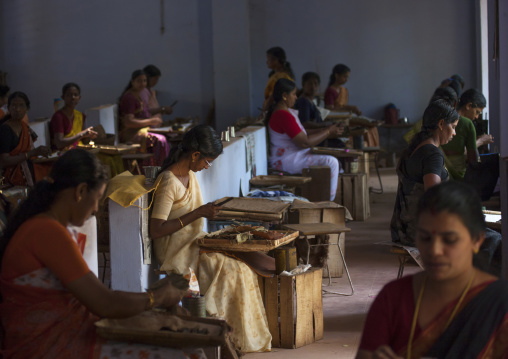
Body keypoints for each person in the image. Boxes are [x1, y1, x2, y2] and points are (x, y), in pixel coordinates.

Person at [0, 149, 200, 358]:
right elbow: (104, 302)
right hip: (46, 346)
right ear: (80, 191)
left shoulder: (48, 227)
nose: (96, 208)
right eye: (96, 198)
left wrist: (152, 302)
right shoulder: (47, 232)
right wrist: (156, 298)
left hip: (62, 334)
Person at [150, 125, 273, 353]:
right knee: (230, 271)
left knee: (243, 267)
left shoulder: (189, 175)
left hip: (195, 242)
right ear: (195, 155)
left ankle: (240, 339)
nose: (206, 167)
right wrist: (198, 213)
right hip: (176, 253)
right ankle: (225, 340)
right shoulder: (169, 182)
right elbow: (156, 230)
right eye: (206, 162)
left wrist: (208, 212)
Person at [357, 181, 508, 359]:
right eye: (425, 238)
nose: (434, 251)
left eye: (450, 239)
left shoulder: (500, 304)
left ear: (477, 240)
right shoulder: (393, 298)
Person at [391, 100, 459, 246]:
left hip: (405, 230)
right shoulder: (432, 154)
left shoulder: (414, 149)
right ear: (441, 124)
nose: (454, 133)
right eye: (453, 127)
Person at [266, 78, 343, 201]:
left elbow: (303, 133)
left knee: (333, 161)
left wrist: (327, 129)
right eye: (294, 94)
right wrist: (328, 131)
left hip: (291, 156)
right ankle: (329, 202)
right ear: (285, 96)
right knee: (332, 162)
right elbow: (304, 142)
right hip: (286, 161)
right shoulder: (282, 115)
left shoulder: (285, 112)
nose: (296, 97)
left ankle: (323, 198)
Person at [118, 69, 170, 167]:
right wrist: (151, 121)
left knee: (164, 137)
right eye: (139, 81)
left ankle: (162, 168)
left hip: (141, 130)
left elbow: (146, 113)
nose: (142, 83)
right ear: (132, 82)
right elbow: (128, 122)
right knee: (160, 140)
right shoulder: (129, 97)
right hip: (130, 134)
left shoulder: (138, 95)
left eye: (144, 81)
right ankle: (155, 170)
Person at [0, 92, 52, 187]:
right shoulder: (5, 129)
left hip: (27, 168)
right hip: (11, 176)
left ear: (26, 109)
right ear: (8, 108)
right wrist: (31, 153)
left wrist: (40, 152)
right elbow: (4, 161)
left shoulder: (25, 127)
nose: (18, 109)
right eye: (14, 106)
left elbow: (31, 153)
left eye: (21, 105)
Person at [441, 88, 493, 181]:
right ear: (469, 106)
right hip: (458, 179)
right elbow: (472, 160)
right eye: (477, 112)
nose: (477, 117)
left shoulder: (441, 119)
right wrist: (480, 141)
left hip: (437, 175)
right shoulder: (467, 124)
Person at [324, 64, 381, 147]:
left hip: (346, 117)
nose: (346, 79)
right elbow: (329, 109)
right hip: (338, 120)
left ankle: (372, 153)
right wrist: (350, 108)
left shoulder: (343, 90)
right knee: (365, 129)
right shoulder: (330, 91)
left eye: (347, 77)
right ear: (336, 75)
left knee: (372, 127)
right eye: (344, 76)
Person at [49, 83, 97, 151]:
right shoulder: (58, 117)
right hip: (64, 153)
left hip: (78, 149)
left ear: (79, 97)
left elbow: (81, 139)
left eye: (75, 95)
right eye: (69, 95)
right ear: (63, 97)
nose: (73, 97)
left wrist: (89, 135)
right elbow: (59, 143)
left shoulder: (80, 115)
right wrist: (81, 134)